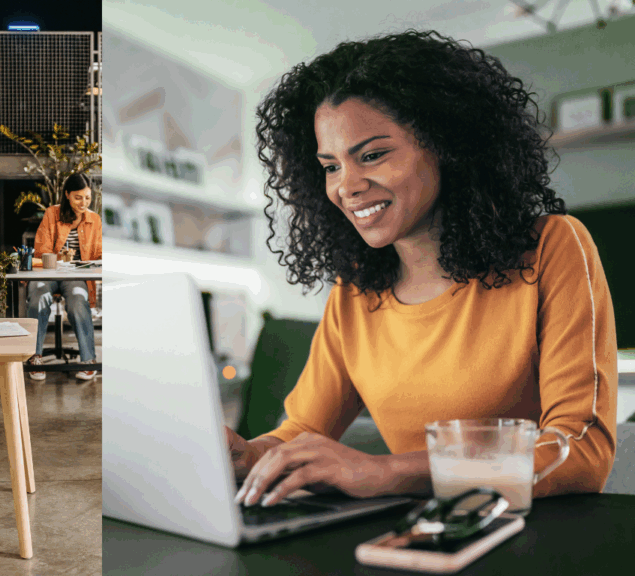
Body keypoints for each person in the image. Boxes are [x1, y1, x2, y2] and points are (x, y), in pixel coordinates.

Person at [229, 30, 617, 508]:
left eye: (372, 155)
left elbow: (580, 451)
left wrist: (383, 471)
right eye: (330, 166)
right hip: (426, 534)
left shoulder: (552, 247)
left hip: (536, 535)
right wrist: (250, 456)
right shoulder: (356, 288)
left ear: (446, 145)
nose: (346, 187)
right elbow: (304, 430)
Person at [26, 173, 102, 381]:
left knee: (78, 299)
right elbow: (41, 249)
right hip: (48, 273)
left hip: (76, 277)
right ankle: (35, 357)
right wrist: (60, 259)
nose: (83, 203)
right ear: (67, 194)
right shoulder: (52, 214)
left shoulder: (94, 220)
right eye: (78, 197)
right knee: (38, 297)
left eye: (87, 197)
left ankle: (88, 360)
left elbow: (98, 254)